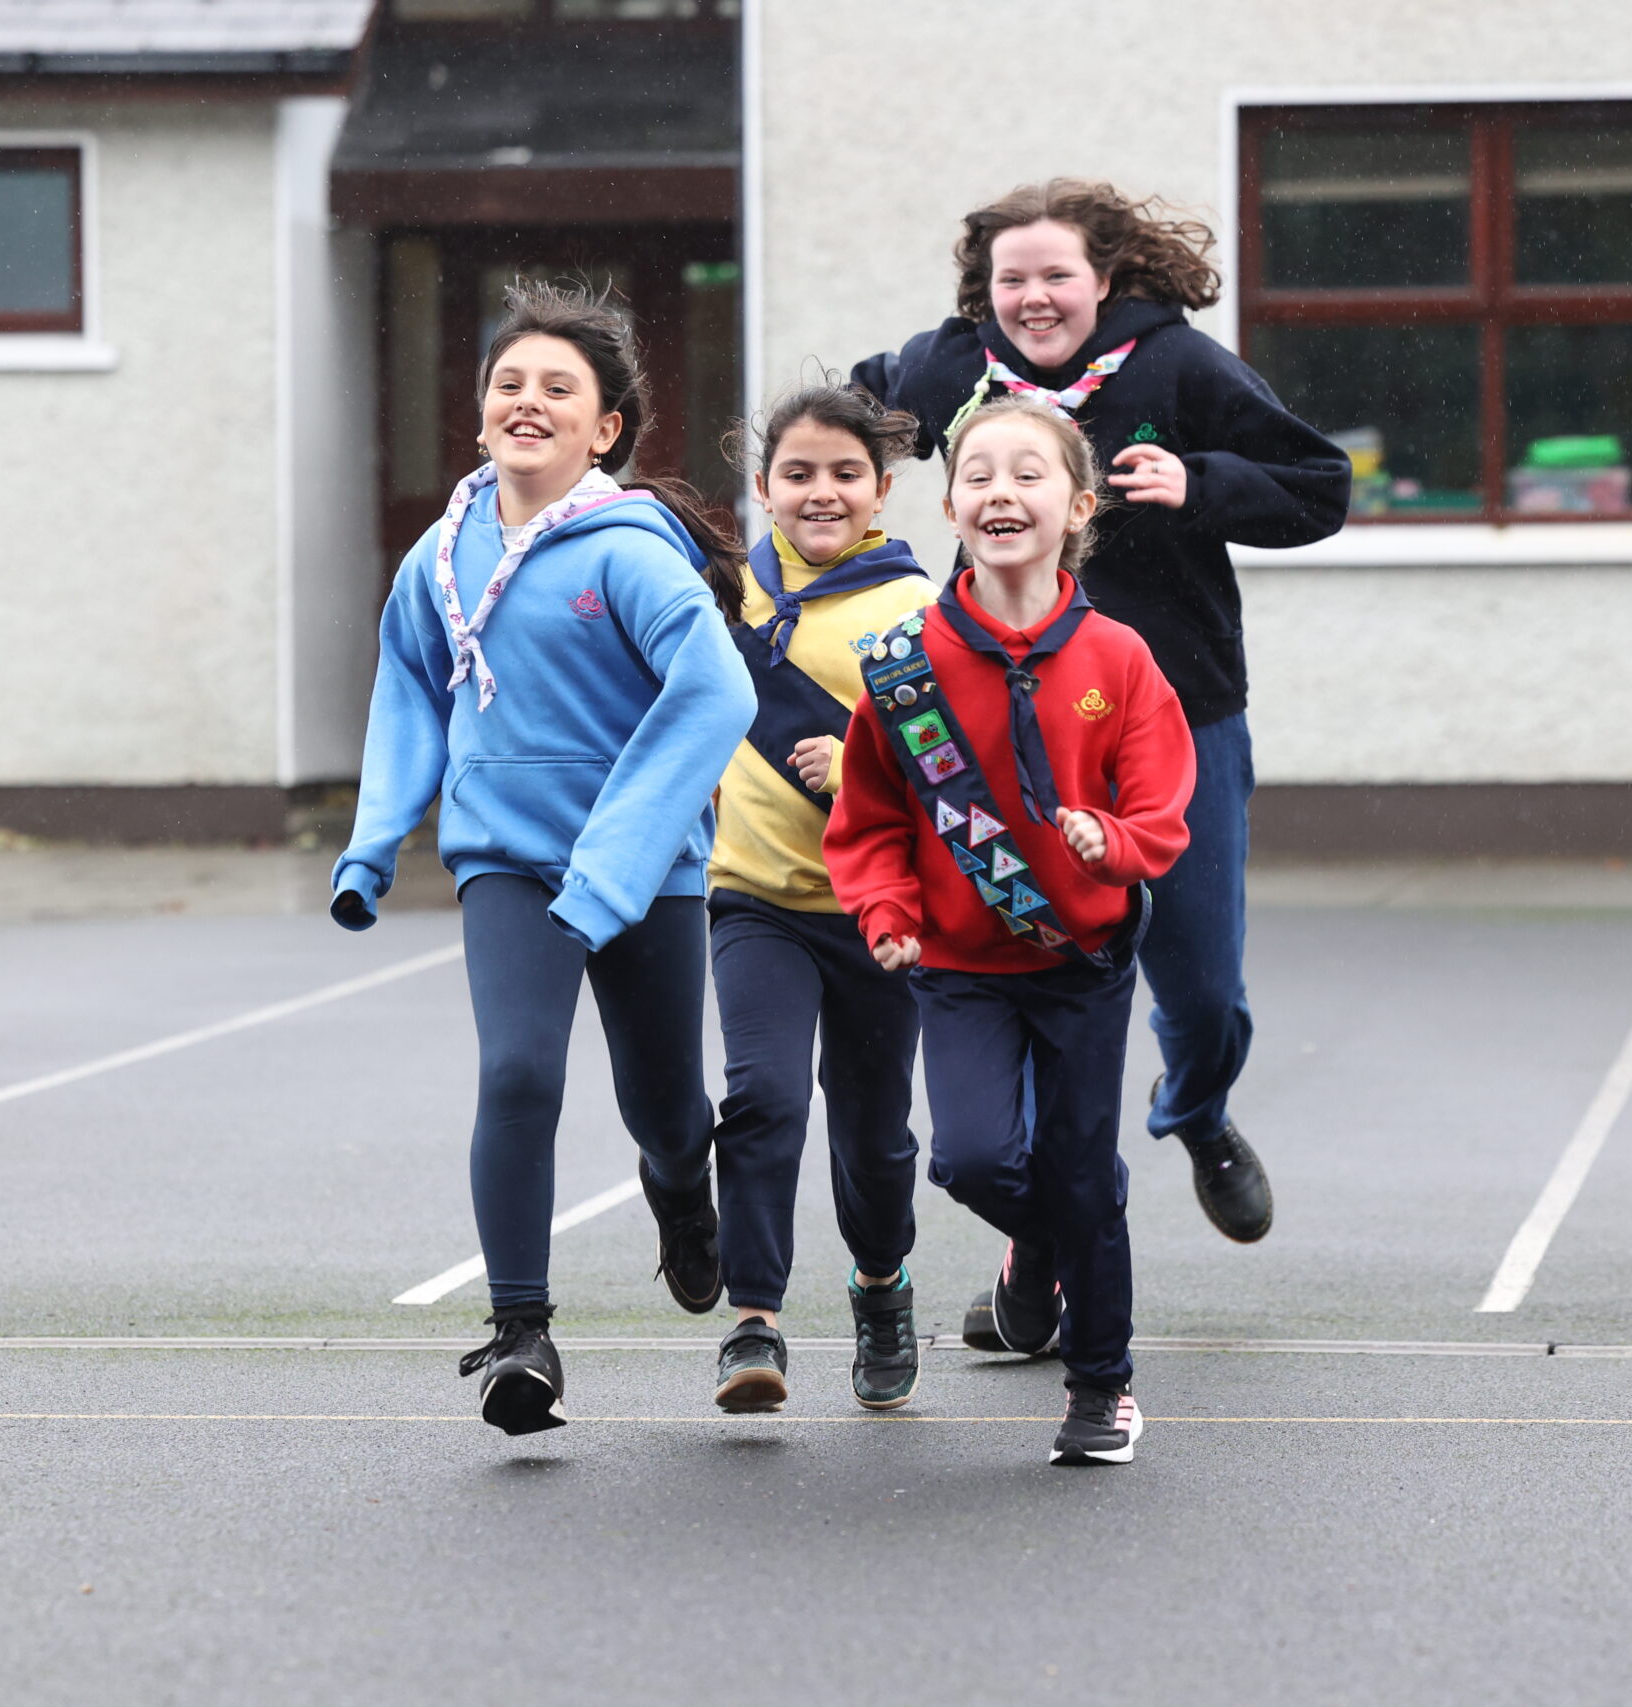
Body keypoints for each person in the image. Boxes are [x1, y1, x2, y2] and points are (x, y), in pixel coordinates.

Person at [854, 180, 1351, 1271]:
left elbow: (1321, 487)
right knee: (1031, 972)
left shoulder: (1178, 369)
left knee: (1202, 986)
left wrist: (1201, 481)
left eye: (1056, 277)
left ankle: (1199, 1109)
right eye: (1010, 281)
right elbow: (856, 420)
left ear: (1106, 280)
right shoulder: (953, 370)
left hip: (1176, 714)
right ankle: (1041, 1248)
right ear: (985, 293)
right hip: (1000, 719)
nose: (1034, 299)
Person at [329, 282, 756, 1438]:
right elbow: (411, 691)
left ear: (604, 428)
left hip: (642, 870)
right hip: (507, 861)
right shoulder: (441, 552)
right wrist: (376, 841)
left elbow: (718, 688)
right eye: (508, 385)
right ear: (478, 417)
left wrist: (618, 860)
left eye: (557, 389)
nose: (528, 402)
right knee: (517, 1074)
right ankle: (522, 1334)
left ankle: (681, 1189)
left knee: (666, 1108)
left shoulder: (628, 551)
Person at [825, 396, 1196, 1466]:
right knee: (977, 1158)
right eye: (977, 474)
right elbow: (870, 816)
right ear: (948, 506)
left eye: (1027, 474)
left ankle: (1101, 1384)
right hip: (956, 963)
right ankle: (1056, 1237)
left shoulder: (1120, 658)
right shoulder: (903, 664)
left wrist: (1111, 844)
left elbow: (1161, 799)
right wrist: (887, 912)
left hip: (1081, 961)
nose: (1000, 491)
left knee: (1082, 1168)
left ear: (1077, 505)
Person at [703, 384, 938, 1415]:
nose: (821, 491)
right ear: (763, 488)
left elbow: (955, 764)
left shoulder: (921, 608)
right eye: (797, 473)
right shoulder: (725, 595)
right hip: (754, 898)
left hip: (879, 905)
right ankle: (752, 1321)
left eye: (845, 473)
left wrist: (864, 767)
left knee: (874, 1131)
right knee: (762, 1098)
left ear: (881, 490)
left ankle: (879, 1285)